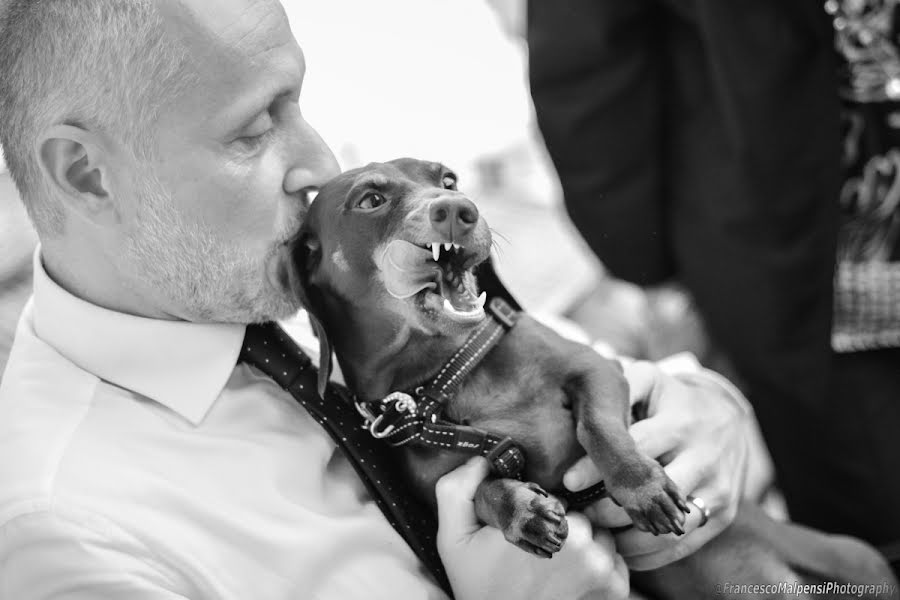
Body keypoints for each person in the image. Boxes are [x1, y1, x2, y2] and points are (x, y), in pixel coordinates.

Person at [0, 1, 751, 598]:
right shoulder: (68, 536)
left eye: (297, 101)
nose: (318, 164)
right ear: (87, 174)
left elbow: (610, 377)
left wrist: (711, 417)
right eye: (255, 129)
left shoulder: (308, 275)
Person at [528, 0, 900, 568]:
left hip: (797, 240)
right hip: (805, 257)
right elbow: (588, 58)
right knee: (871, 530)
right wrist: (647, 261)